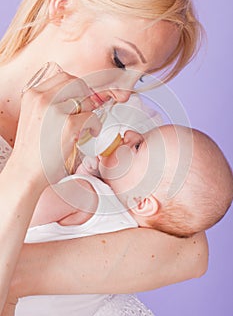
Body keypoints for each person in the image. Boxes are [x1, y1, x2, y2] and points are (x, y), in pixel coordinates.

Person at [0, 0, 210, 314]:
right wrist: (27, 169)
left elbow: (191, 250)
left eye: (141, 79)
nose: (125, 95)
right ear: (63, 6)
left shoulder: (120, 124)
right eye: (118, 60)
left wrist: (15, 274)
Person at [14, 124, 233, 315]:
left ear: (143, 202)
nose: (128, 133)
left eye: (138, 146)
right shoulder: (133, 232)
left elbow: (18, 211)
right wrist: (89, 171)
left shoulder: (85, 194)